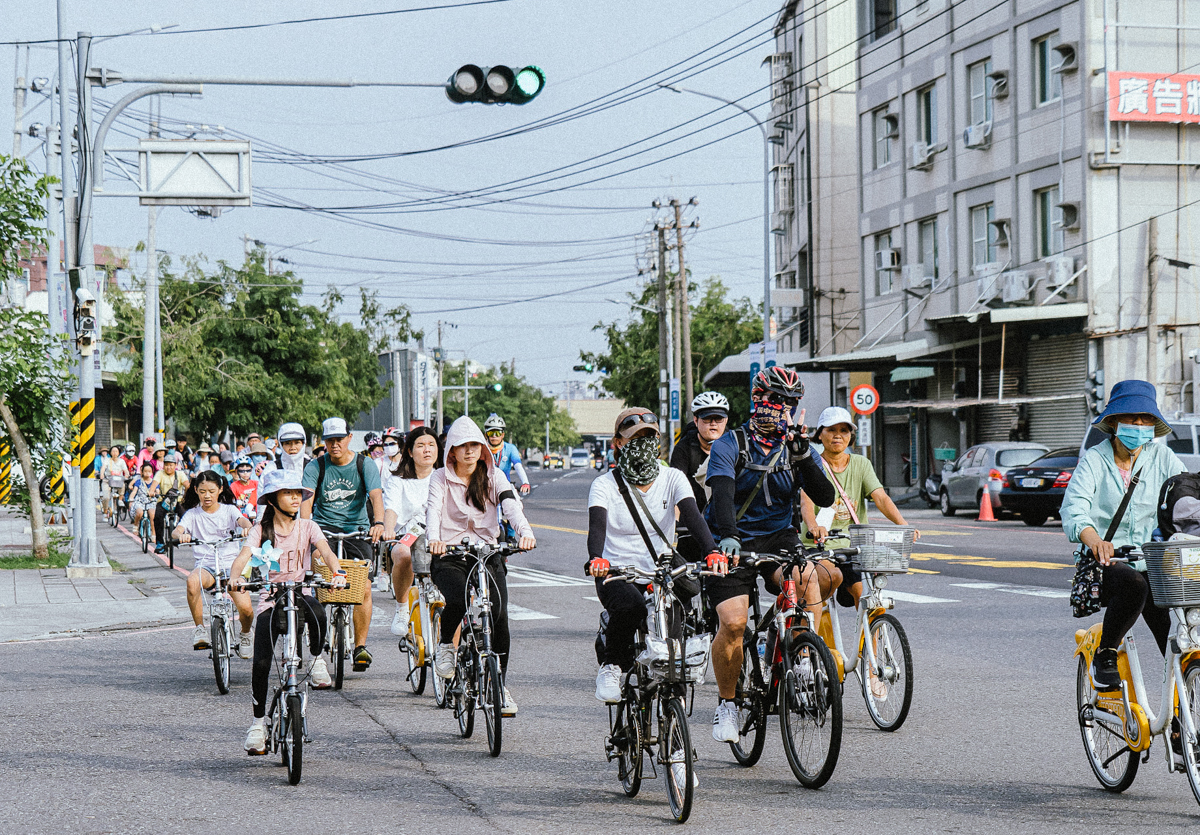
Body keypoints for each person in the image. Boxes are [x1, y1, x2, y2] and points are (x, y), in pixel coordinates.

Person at [704, 366, 836, 743]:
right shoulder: (731, 443)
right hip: (732, 539)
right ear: (758, 400)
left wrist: (804, 457)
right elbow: (723, 493)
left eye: (790, 403)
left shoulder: (797, 447)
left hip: (778, 536)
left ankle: (807, 664)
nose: (781, 408)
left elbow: (825, 498)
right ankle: (726, 703)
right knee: (732, 623)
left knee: (806, 577)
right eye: (775, 400)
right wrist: (727, 535)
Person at [587, 407, 723, 703]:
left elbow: (693, 517)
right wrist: (597, 558)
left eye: (649, 437)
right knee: (631, 607)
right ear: (618, 444)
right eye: (634, 438)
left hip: (662, 570)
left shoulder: (672, 477)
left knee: (675, 651)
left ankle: (675, 737)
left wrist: (712, 551)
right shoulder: (604, 485)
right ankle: (611, 666)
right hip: (617, 571)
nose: (642, 443)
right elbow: (596, 527)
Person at [1061, 380, 1187, 691]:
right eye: (1132, 419)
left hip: (1154, 560)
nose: (1139, 426)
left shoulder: (1163, 458)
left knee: (1179, 636)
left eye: (1146, 420)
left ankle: (1180, 718)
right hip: (1108, 563)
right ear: (1116, 422)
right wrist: (1095, 541)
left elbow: (1186, 495)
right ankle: (1105, 653)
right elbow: (1074, 511)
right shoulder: (1095, 459)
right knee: (1134, 585)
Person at [230, 468, 346, 753]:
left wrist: (338, 571)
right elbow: (243, 558)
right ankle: (258, 724)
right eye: (288, 493)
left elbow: (326, 551)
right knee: (260, 664)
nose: (295, 498)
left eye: (298, 493)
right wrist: (236, 578)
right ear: (272, 499)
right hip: (271, 599)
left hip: (301, 593)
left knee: (319, 616)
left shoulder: (308, 526)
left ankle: (317, 659)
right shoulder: (260, 530)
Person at [427, 416, 536, 717]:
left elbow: (510, 504)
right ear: (451, 450)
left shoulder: (494, 475)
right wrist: (434, 539)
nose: (470, 451)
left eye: (475, 445)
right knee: (459, 597)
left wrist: (525, 532)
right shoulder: (440, 478)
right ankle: (446, 645)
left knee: (498, 614)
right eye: (463, 446)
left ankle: (499, 684)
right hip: (449, 554)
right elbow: (433, 510)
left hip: (488, 552)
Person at [799, 406, 919, 608]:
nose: (838, 436)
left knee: (863, 594)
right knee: (827, 583)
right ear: (819, 434)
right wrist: (813, 527)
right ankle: (814, 636)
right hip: (818, 545)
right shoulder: (812, 463)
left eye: (844, 431)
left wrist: (903, 525)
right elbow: (806, 501)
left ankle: (871, 637)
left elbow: (881, 498)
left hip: (852, 545)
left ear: (850, 436)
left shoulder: (861, 464)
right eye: (831, 430)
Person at [301, 417, 385, 672]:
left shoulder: (364, 464)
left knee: (365, 588)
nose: (335, 444)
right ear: (324, 442)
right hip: (323, 531)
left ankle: (360, 646)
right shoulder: (315, 466)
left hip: (356, 532)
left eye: (339, 439)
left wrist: (379, 523)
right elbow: (306, 502)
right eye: (330, 440)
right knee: (320, 588)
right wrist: (305, 530)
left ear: (349, 438)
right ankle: (318, 644)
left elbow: (376, 496)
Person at [172, 470, 253, 651]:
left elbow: (242, 521)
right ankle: (200, 629)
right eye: (202, 491)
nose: (207, 496)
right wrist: (181, 534)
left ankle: (246, 633)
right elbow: (176, 531)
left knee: (247, 610)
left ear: (220, 489)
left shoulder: (229, 510)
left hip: (232, 569)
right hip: (206, 567)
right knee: (192, 581)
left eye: (211, 491)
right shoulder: (193, 514)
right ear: (196, 490)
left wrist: (247, 527)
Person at [383, 427, 442, 637]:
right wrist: (388, 529)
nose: (427, 450)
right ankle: (401, 609)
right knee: (402, 553)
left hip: (440, 534)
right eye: (420, 445)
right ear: (409, 451)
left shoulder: (444, 477)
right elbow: (391, 508)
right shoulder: (397, 480)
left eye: (431, 445)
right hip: (409, 532)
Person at [669, 391, 730, 562]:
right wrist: (674, 522)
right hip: (692, 520)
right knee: (684, 576)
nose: (713, 424)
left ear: (725, 421)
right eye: (706, 419)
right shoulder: (684, 448)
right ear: (696, 420)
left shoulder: (735, 446)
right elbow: (675, 488)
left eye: (718, 419)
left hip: (725, 522)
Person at [150, 451, 191, 554]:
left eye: (171, 465)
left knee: (185, 515)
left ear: (175, 465)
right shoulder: (160, 473)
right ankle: (160, 542)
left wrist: (186, 494)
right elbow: (154, 484)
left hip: (177, 501)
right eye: (166, 465)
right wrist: (151, 491)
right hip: (163, 501)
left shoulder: (180, 474)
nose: (168, 467)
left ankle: (182, 536)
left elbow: (187, 486)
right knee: (158, 517)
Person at [482, 413, 531, 495]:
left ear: (503, 435)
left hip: (505, 486)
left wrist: (525, 482)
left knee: (513, 505)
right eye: (491, 433)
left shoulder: (510, 448)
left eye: (497, 433)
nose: (494, 436)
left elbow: (518, 466)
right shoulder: (481, 449)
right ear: (486, 435)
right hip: (486, 486)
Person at [99, 446, 129, 521]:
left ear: (119, 453)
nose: (115, 453)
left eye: (116, 451)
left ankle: (120, 500)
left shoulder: (121, 461)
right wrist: (102, 474)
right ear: (110, 452)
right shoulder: (107, 460)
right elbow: (103, 468)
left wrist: (126, 475)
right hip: (108, 480)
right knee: (106, 497)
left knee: (123, 484)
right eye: (113, 451)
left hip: (118, 480)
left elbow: (125, 470)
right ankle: (105, 512)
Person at [129, 463, 156, 532]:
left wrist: (155, 494)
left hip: (151, 501)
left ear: (152, 472)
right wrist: (131, 499)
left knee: (152, 515)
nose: (147, 473)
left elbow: (157, 491)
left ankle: (153, 533)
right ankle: (136, 524)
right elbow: (134, 491)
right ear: (142, 472)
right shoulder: (139, 481)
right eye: (145, 471)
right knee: (139, 512)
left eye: (149, 471)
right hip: (140, 501)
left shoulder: (154, 482)